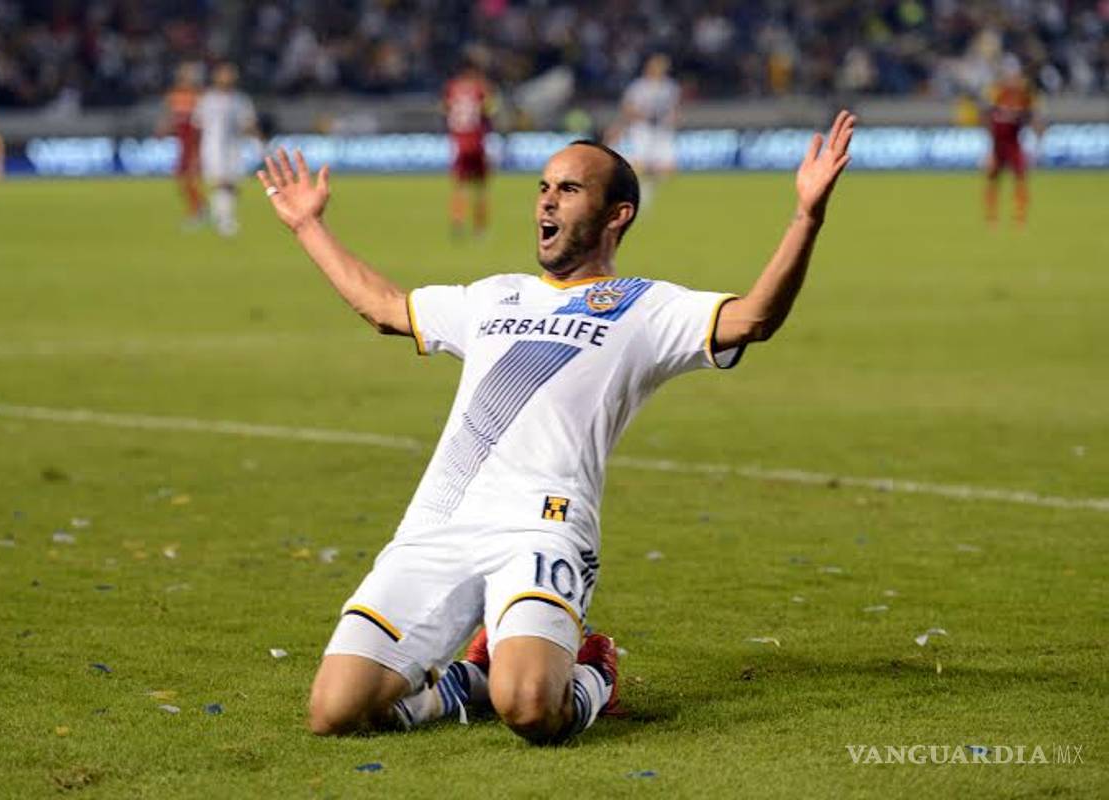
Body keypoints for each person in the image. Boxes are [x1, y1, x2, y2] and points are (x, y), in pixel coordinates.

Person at [256, 110, 856, 744]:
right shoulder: (494, 296)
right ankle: (461, 689)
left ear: (617, 214)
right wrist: (307, 225)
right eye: (543, 187)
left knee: (534, 710)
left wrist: (806, 215)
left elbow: (756, 317)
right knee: (335, 712)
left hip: (542, 528)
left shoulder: (645, 307)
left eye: (568, 189)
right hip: (438, 525)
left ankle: (592, 672)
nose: (547, 200)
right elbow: (383, 308)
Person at [195, 63, 259, 236]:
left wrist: (258, 141)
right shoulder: (207, 100)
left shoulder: (241, 100)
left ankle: (221, 215)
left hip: (234, 147)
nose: (228, 77)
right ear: (216, 77)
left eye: (230, 74)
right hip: (212, 147)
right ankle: (225, 220)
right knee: (220, 182)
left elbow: (248, 123)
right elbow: (198, 125)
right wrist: (194, 152)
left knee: (232, 184)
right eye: (224, 74)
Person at [616, 53, 681, 208]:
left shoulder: (670, 87)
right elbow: (628, 107)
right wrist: (642, 117)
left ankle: (647, 188)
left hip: (662, 130)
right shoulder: (638, 86)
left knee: (667, 169)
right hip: (642, 129)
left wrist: (672, 121)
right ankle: (626, 188)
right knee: (640, 164)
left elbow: (674, 108)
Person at [983, 59, 1041, 226]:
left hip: (1014, 144)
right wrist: (987, 144)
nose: (1012, 78)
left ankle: (1020, 217)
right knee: (993, 180)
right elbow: (987, 116)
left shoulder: (1025, 95)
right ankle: (991, 217)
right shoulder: (996, 92)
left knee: (1020, 179)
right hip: (997, 145)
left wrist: (1035, 142)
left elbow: (1034, 118)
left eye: (1014, 75)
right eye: (1009, 75)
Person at [443, 57, 496, 239]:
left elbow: (446, 109)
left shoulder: (452, 87)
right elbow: (488, 110)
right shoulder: (480, 88)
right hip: (477, 142)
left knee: (459, 187)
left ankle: (458, 223)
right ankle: (480, 229)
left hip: (459, 143)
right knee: (481, 188)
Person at [157, 62, 205, 229]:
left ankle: (198, 211)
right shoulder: (174, 96)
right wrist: (163, 129)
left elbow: (202, 123)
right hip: (182, 144)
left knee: (189, 177)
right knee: (182, 178)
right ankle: (199, 208)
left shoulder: (198, 96)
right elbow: (170, 117)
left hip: (194, 144)